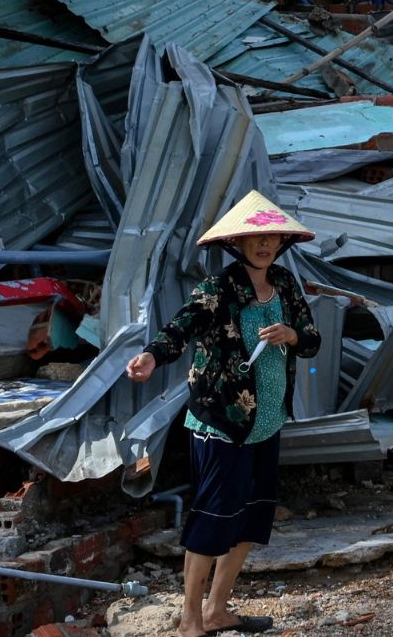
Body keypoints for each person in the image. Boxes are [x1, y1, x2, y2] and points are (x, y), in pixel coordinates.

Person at [125, 190, 321, 637]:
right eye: (256, 237)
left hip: (267, 421)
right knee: (214, 516)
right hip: (222, 420)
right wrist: (152, 355)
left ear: (282, 242)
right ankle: (189, 620)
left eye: (272, 237)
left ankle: (216, 610)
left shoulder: (285, 284)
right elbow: (182, 326)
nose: (265, 244)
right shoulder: (218, 287)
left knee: (252, 515)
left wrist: (291, 335)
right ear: (237, 243)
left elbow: (312, 340)